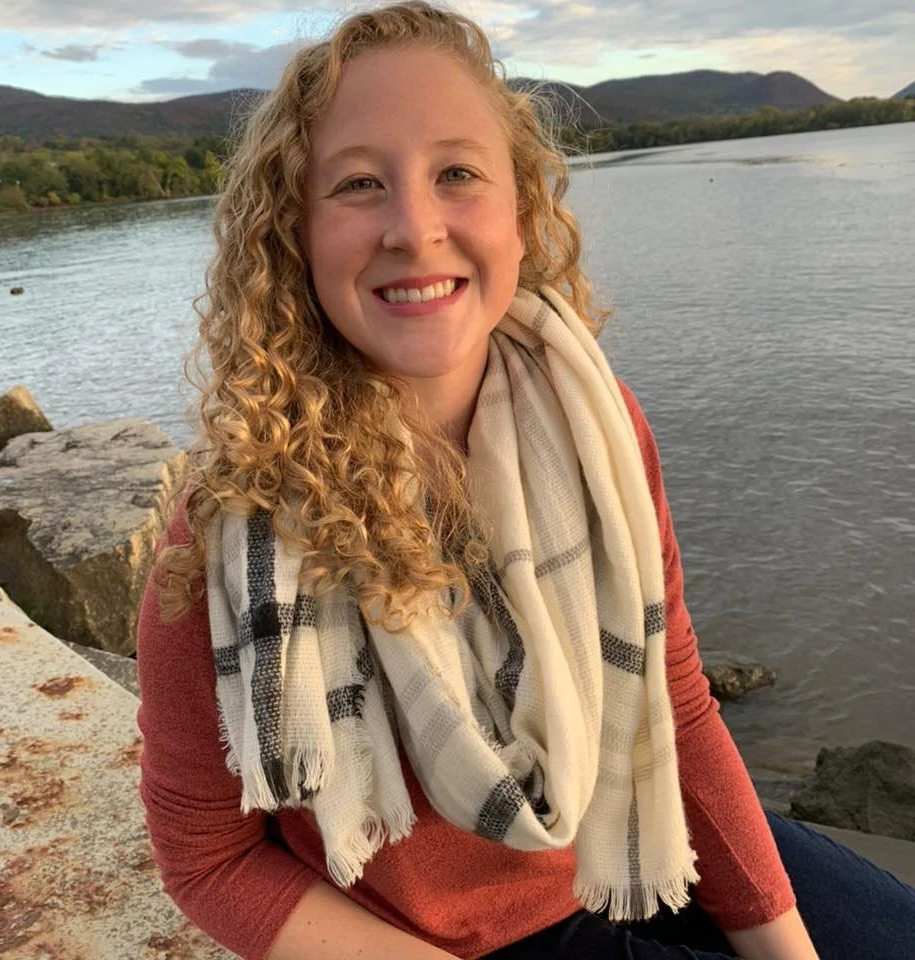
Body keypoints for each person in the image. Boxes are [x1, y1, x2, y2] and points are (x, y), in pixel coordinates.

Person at [135, 4, 915, 959]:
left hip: (635, 829)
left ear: (522, 208)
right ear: (292, 234)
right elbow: (206, 859)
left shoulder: (596, 426)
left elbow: (669, 697)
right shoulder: (233, 524)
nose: (415, 229)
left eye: (457, 174)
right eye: (358, 184)